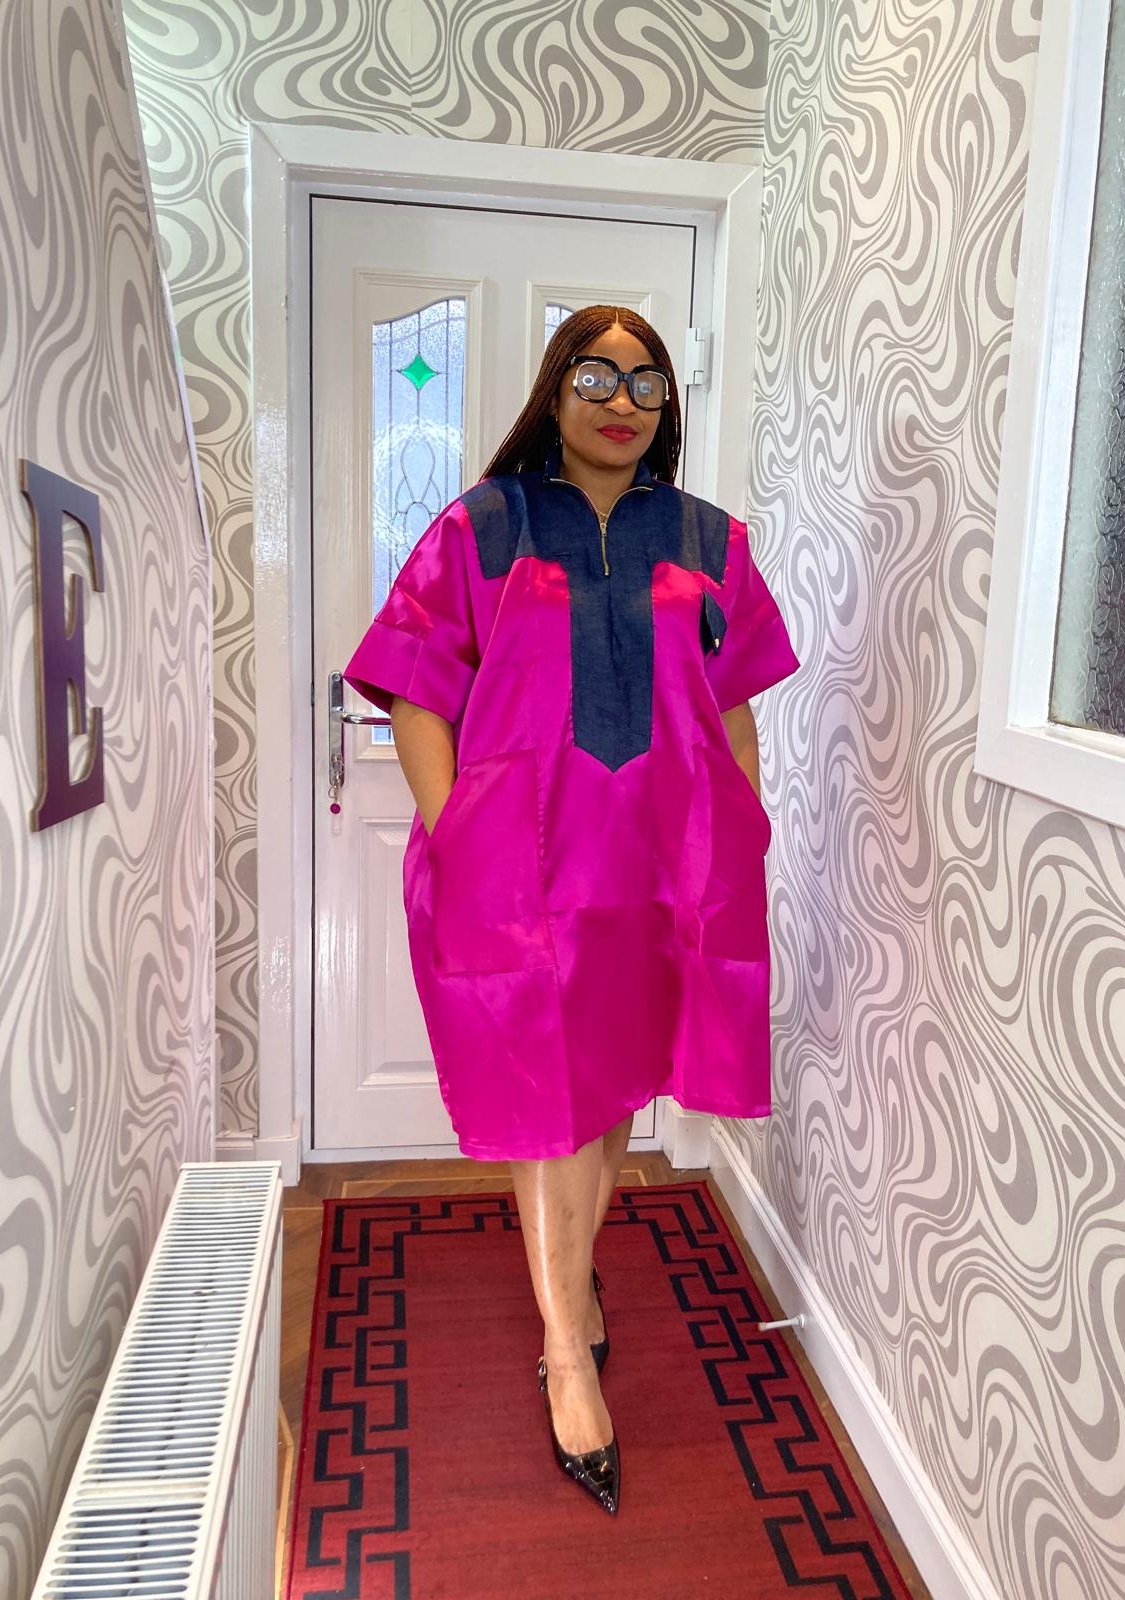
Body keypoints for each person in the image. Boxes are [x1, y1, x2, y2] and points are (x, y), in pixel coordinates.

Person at [343, 305, 800, 1516]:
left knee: (613, 1086)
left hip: (660, 866)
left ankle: (574, 1278)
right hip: (525, 868)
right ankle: (565, 1351)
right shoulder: (484, 527)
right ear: (556, 389)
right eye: (597, 375)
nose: (621, 401)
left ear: (668, 408)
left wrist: (741, 832)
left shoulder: (707, 540)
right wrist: (456, 832)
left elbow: (736, 706)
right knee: (547, 1100)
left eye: (647, 382)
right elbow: (415, 690)